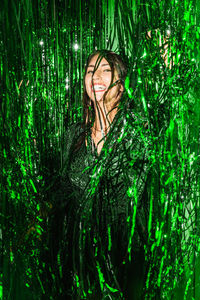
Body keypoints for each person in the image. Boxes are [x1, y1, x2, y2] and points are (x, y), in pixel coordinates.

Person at [50, 49, 150, 300]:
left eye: (107, 70)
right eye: (90, 70)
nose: (96, 76)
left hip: (124, 266)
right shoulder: (74, 134)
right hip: (77, 265)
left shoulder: (139, 131)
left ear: (123, 84)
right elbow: (63, 191)